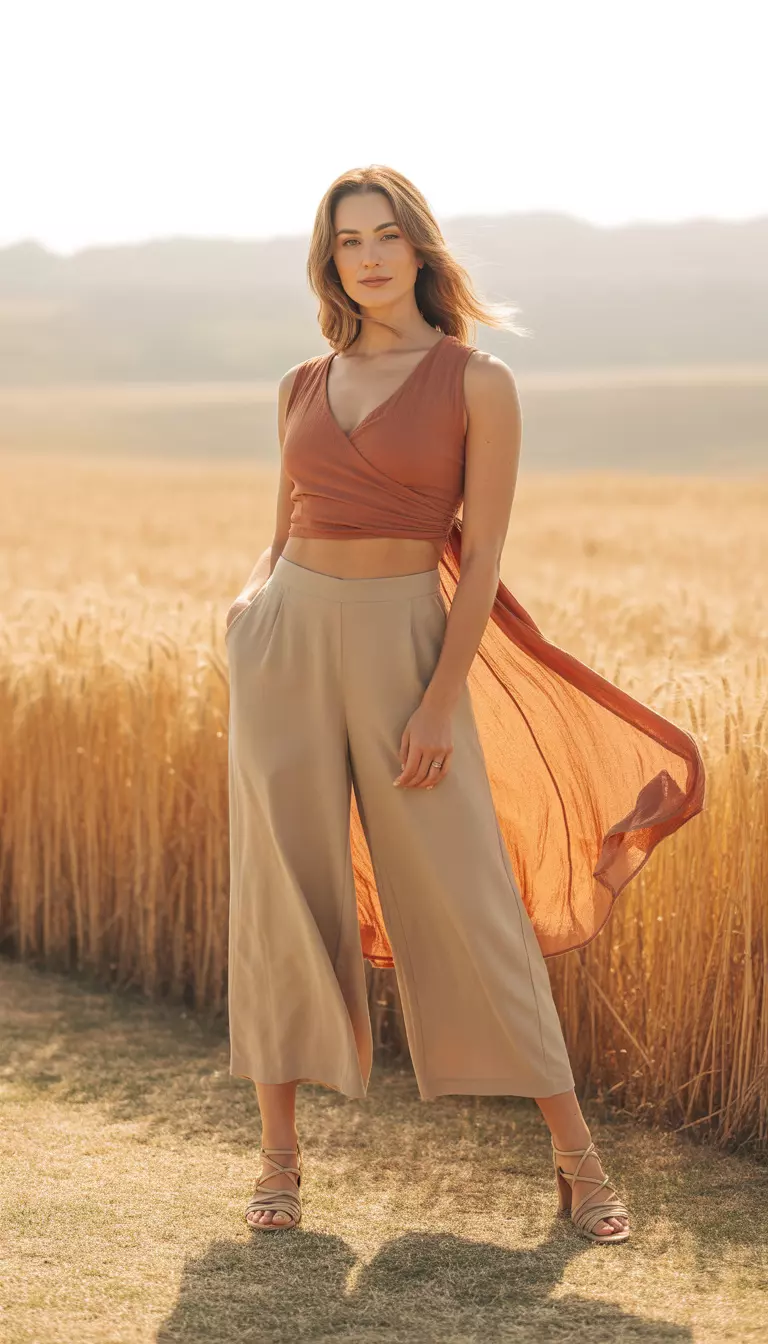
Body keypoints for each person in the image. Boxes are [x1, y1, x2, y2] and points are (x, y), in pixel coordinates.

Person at [224, 166, 705, 1243]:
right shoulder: (303, 382)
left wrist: (440, 701)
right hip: (285, 643)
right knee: (281, 894)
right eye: (349, 241)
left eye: (388, 235)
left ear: (421, 247)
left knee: (469, 895)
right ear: (330, 259)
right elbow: (279, 520)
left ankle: (580, 1165)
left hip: (406, 642)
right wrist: (250, 608)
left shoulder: (477, 379)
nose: (371, 256)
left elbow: (482, 553)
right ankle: (279, 1166)